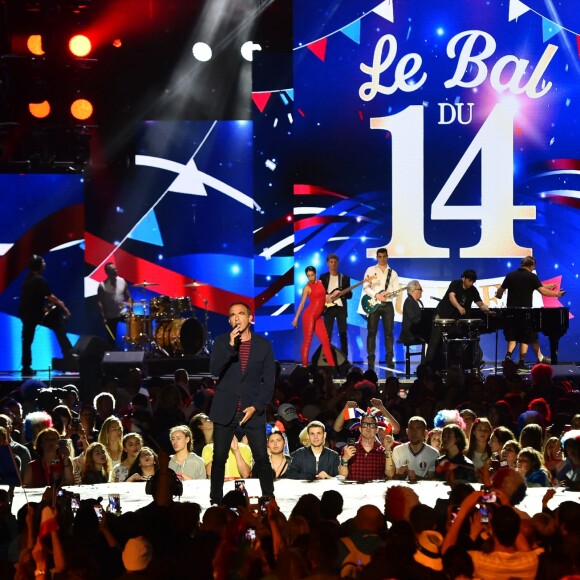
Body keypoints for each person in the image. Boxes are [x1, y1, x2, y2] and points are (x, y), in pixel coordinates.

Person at [208, 302, 275, 504]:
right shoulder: (221, 342)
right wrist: (230, 345)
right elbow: (214, 370)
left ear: (249, 317)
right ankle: (216, 501)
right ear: (229, 320)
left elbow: (269, 380)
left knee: (262, 458)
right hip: (225, 408)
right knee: (219, 459)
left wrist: (256, 406)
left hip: (252, 409)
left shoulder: (263, 345)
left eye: (241, 314)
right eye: (232, 315)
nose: (236, 318)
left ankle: (268, 498)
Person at [495, 255, 565, 368]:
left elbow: (500, 291)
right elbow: (542, 291)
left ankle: (508, 357)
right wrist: (557, 294)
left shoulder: (510, 275)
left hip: (511, 313)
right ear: (531, 266)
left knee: (513, 337)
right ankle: (522, 362)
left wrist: (498, 295)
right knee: (525, 338)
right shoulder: (531, 276)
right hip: (525, 313)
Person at [18, 254, 74, 376]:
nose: (45, 264)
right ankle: (69, 355)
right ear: (39, 265)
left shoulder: (28, 278)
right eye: (43, 262)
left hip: (26, 314)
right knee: (59, 326)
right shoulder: (39, 279)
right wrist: (65, 309)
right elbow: (50, 297)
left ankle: (26, 367)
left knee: (27, 341)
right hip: (35, 315)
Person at [425, 269, 490, 364]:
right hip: (442, 316)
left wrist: (485, 308)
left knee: (456, 343)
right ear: (464, 278)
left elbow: (479, 302)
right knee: (434, 343)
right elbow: (452, 297)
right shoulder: (455, 284)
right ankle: (428, 366)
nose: (471, 283)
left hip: (455, 320)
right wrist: (459, 307)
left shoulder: (473, 290)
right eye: (469, 281)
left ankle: (455, 366)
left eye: (473, 282)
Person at [362, 247, 400, 370]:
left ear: (387, 257)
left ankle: (389, 359)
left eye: (384, 256)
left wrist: (389, 294)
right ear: (377, 257)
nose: (382, 259)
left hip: (388, 304)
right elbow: (366, 287)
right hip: (373, 304)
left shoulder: (393, 273)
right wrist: (376, 295)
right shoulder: (370, 270)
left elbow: (397, 291)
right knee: (371, 332)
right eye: (380, 256)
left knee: (389, 333)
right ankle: (371, 358)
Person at [292, 266, 336, 369]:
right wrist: (295, 318)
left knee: (325, 340)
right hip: (309, 316)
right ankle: (305, 367)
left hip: (318, 317)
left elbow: (323, 297)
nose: (310, 278)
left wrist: (329, 297)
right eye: (308, 276)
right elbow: (302, 304)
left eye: (312, 275)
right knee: (308, 340)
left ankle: (332, 367)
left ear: (315, 274)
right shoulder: (307, 288)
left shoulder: (320, 283)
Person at [338, 413, 389, 482]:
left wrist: (388, 450)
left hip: (376, 491)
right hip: (353, 490)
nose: (368, 428)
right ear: (360, 429)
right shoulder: (348, 449)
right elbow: (342, 477)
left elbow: (390, 474)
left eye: (372, 426)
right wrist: (345, 458)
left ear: (377, 430)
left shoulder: (382, 451)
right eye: (365, 425)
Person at [320, 254, 352, 361]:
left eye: (335, 262)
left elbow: (350, 295)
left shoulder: (344, 278)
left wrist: (341, 294)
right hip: (328, 308)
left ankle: (344, 358)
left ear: (338, 263)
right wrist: (326, 296)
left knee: (343, 333)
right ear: (327, 263)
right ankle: (325, 357)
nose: (333, 264)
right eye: (331, 262)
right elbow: (319, 293)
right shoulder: (323, 277)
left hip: (341, 309)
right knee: (327, 334)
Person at [391, 416, 439, 481]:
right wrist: (401, 474)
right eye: (411, 428)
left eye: (418, 428)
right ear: (407, 431)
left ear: (425, 433)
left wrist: (416, 477)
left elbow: (432, 480)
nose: (414, 432)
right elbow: (392, 477)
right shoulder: (397, 450)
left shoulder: (433, 453)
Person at [97, 262, 132, 346]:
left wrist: (131, 309)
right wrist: (103, 317)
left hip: (122, 312)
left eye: (115, 269)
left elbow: (128, 297)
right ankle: (111, 354)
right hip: (110, 315)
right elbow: (99, 302)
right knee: (111, 338)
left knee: (134, 324)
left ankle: (133, 346)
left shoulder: (122, 281)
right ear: (107, 272)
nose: (115, 271)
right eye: (112, 270)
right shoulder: (102, 285)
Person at [399, 280, 424, 344]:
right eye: (420, 289)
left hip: (414, 331)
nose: (422, 291)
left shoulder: (415, 301)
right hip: (410, 333)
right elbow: (414, 319)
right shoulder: (409, 302)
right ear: (414, 291)